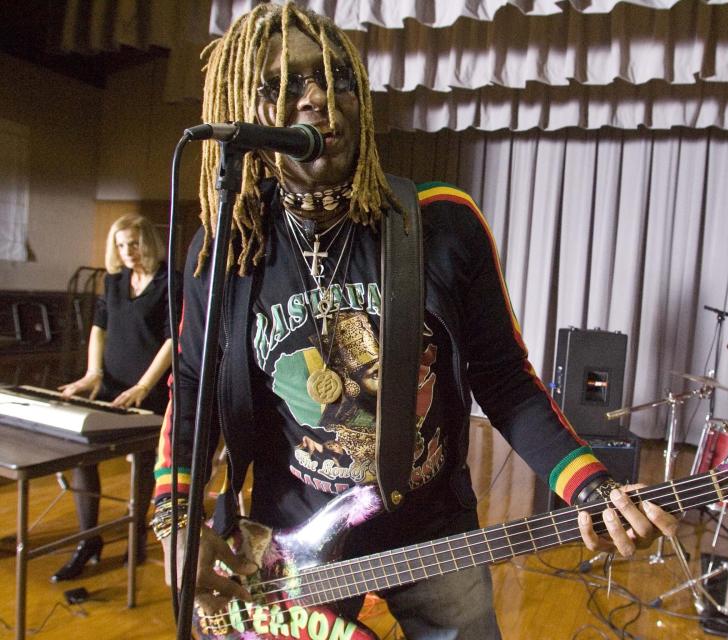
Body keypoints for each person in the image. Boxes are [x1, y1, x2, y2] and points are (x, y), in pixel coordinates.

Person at [152, 4, 675, 637]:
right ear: (242, 107)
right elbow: (192, 392)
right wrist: (176, 522)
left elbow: (505, 380)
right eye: (284, 85)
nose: (319, 98)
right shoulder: (229, 245)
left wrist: (589, 486)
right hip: (291, 544)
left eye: (337, 77)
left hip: (433, 536)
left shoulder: (441, 224)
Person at [54, 213, 176, 582]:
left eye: (134, 244)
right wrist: (93, 373)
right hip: (111, 386)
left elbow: (174, 339)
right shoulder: (113, 281)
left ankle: (137, 536)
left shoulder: (171, 281)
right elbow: (99, 329)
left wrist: (143, 386)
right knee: (82, 454)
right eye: (121, 245)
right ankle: (88, 539)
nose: (127, 252)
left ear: (149, 243)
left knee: (142, 465)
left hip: (149, 390)